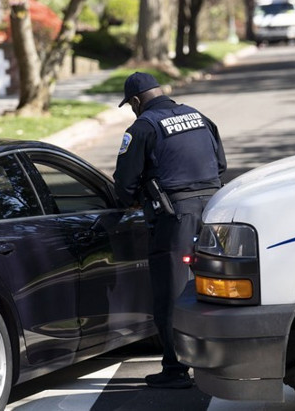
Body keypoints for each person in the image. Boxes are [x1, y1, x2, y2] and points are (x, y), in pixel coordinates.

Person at [113, 71, 226, 389]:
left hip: (175, 217)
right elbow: (220, 165)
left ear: (136, 101)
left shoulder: (142, 127)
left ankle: (175, 369)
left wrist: (137, 200)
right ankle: (220, 358)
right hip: (215, 211)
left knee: (170, 292)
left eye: (131, 105)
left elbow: (124, 184)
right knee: (214, 286)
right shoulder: (198, 116)